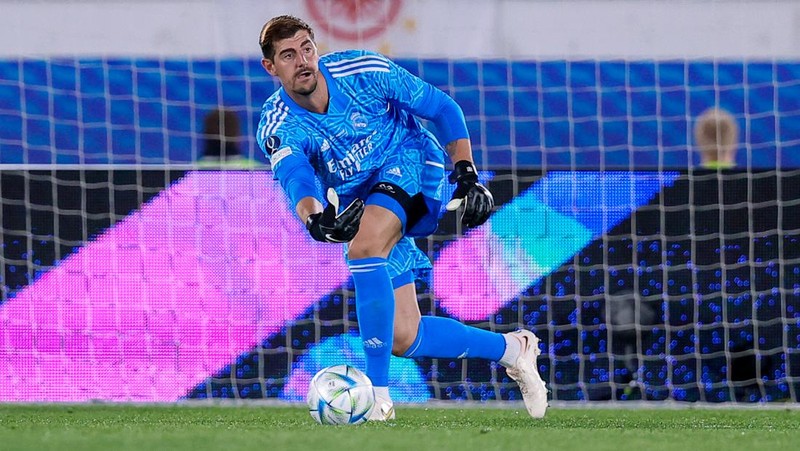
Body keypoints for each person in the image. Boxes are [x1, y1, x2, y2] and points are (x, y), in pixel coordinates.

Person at [255, 15, 547, 421]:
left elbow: (442, 107)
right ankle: (514, 350)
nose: (303, 60)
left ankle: (377, 398)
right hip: (368, 198)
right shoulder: (277, 122)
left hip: (414, 162)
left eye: (307, 48)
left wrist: (466, 173)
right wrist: (314, 219)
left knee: (364, 247)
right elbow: (295, 176)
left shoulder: (363, 71)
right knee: (402, 335)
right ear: (271, 67)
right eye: (288, 55)